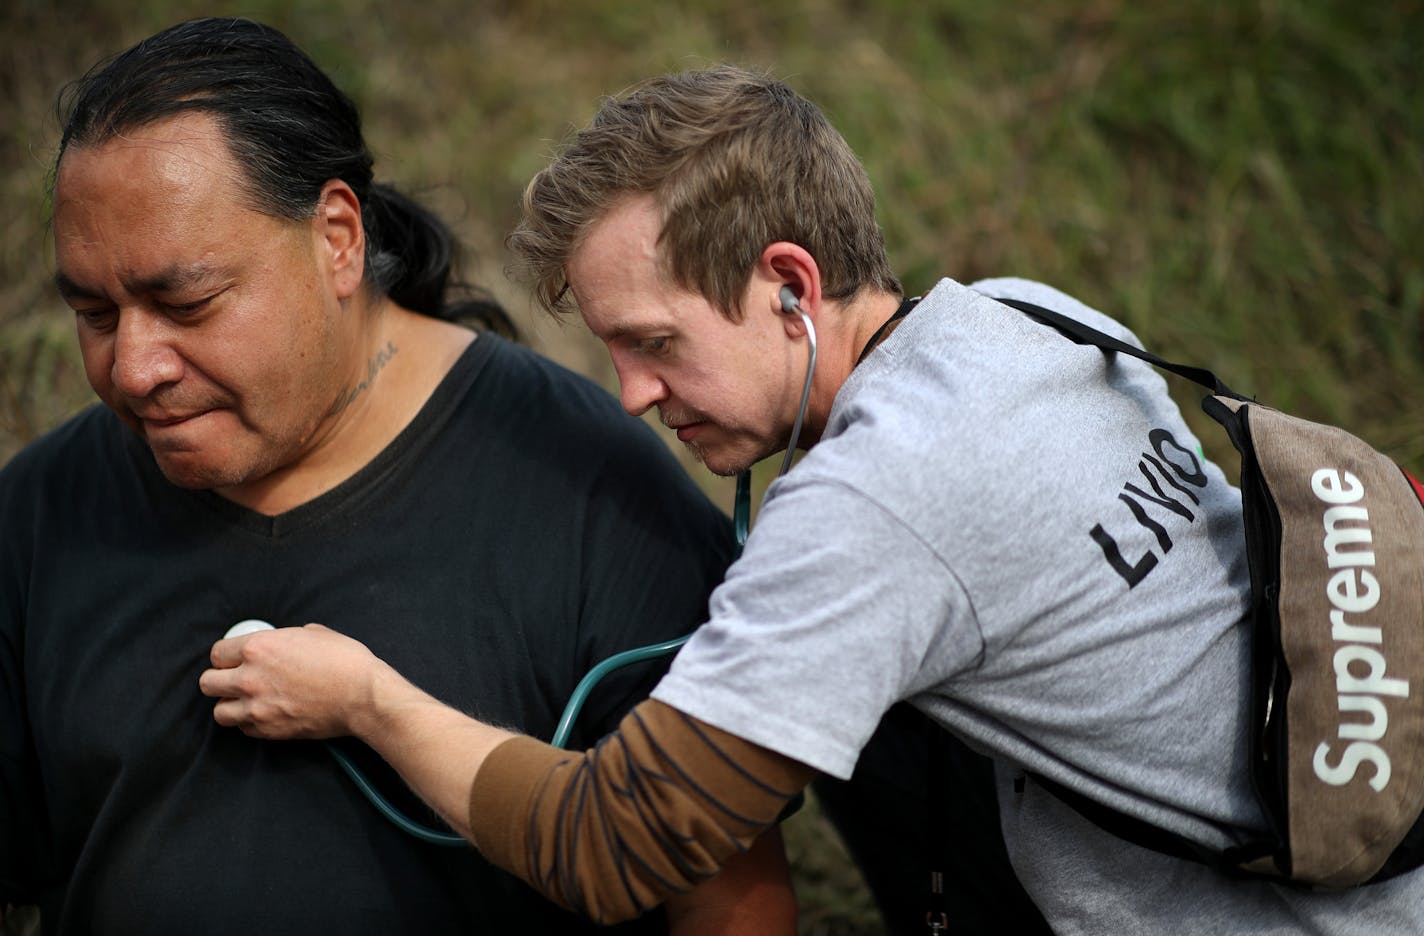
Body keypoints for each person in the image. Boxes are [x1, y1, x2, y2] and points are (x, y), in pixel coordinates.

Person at [198, 65, 1424, 933]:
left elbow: (610, 847)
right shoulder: (1022, 316)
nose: (630, 395)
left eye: (654, 343)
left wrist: (364, 697)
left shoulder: (872, 508)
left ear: (788, 284)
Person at [0, 25, 799, 935]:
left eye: (186, 304)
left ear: (337, 238)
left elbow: (732, 893)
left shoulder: (586, 487)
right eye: (95, 314)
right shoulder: (36, 514)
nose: (134, 368)